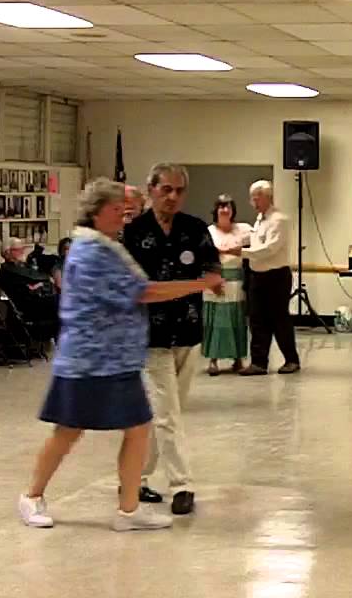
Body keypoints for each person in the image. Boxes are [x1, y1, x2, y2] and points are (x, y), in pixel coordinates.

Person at [17, 178, 223, 531]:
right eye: (115, 211)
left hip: (117, 358)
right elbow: (145, 291)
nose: (122, 217)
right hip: (87, 358)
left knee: (139, 427)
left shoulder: (109, 247)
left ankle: (128, 510)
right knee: (68, 431)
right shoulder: (93, 252)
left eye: (125, 210)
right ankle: (32, 496)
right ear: (96, 214)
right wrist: (201, 283)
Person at [123, 163, 221, 516]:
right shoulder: (132, 233)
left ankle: (137, 477)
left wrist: (213, 280)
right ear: (151, 190)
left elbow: (212, 269)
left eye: (179, 190)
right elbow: (129, 285)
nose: (172, 197)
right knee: (168, 413)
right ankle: (182, 485)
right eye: (166, 189)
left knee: (165, 412)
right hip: (150, 336)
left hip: (189, 331)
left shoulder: (194, 229)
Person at [238, 180, 300, 376]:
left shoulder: (279, 220)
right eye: (252, 198)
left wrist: (241, 252)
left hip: (276, 277)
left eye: (257, 197)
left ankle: (291, 360)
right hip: (257, 276)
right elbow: (255, 243)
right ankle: (258, 363)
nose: (253, 202)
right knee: (256, 320)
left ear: (267, 197)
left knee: (279, 319)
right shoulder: (259, 220)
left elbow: (270, 249)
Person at [204, 194, 252, 376]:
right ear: (216, 211)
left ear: (233, 211)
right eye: (221, 207)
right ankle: (213, 360)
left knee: (236, 320)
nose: (224, 210)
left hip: (236, 283)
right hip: (216, 281)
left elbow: (253, 250)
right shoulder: (209, 232)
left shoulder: (243, 230)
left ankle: (237, 359)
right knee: (216, 321)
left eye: (228, 207)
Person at [0, 237, 59, 327]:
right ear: (7, 253)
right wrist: (39, 285)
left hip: (38, 301)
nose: (22, 252)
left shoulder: (21, 267)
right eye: (18, 250)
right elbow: (25, 291)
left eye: (23, 249)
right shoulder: (8, 271)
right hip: (29, 308)